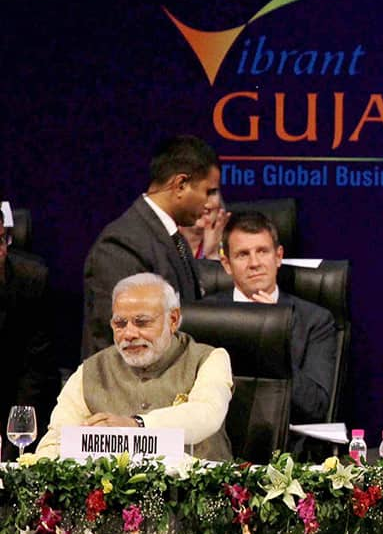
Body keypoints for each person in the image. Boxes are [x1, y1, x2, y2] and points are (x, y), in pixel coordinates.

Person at [37, 273, 232, 459]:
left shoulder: (209, 359)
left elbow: (206, 413)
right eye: (120, 324)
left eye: (142, 322)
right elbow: (56, 440)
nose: (129, 334)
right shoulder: (91, 370)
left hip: (197, 489)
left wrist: (136, 426)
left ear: (172, 320)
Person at [82, 135, 221, 358]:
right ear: (180, 185)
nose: (208, 204)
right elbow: (116, 345)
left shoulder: (173, 238)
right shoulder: (120, 245)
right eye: (208, 191)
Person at [210, 211, 338, 424]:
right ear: (226, 264)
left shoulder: (315, 321)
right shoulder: (208, 316)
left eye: (262, 251)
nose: (254, 263)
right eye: (243, 254)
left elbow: (315, 407)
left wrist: (275, 340)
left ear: (278, 256)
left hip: (287, 443)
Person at [0, 219, 59, 460]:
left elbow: (36, 370)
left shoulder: (31, 280)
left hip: (12, 400)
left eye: (1, 240)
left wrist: (14, 445)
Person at [178, 192, 229, 260]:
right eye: (196, 192)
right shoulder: (162, 241)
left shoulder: (231, 246)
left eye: (211, 192)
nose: (205, 204)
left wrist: (212, 255)